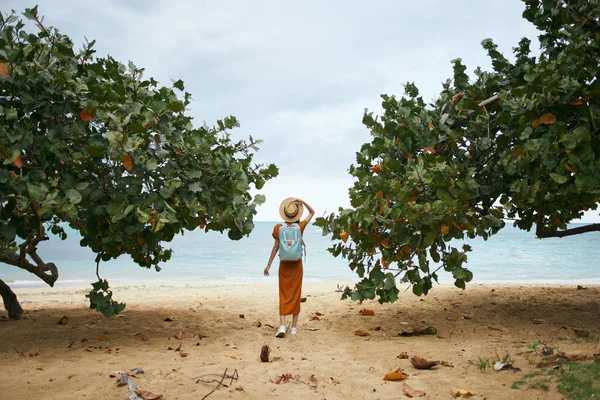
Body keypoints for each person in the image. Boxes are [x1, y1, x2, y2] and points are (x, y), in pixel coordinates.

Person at [264, 197, 315, 338]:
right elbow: (312, 212)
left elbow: (275, 247)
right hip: (297, 264)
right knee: (295, 294)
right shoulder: (300, 227)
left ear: (284, 213)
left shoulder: (278, 228)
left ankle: (281, 325)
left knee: (284, 293)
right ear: (297, 214)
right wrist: (303, 201)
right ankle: (293, 328)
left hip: (284, 264)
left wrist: (268, 265)